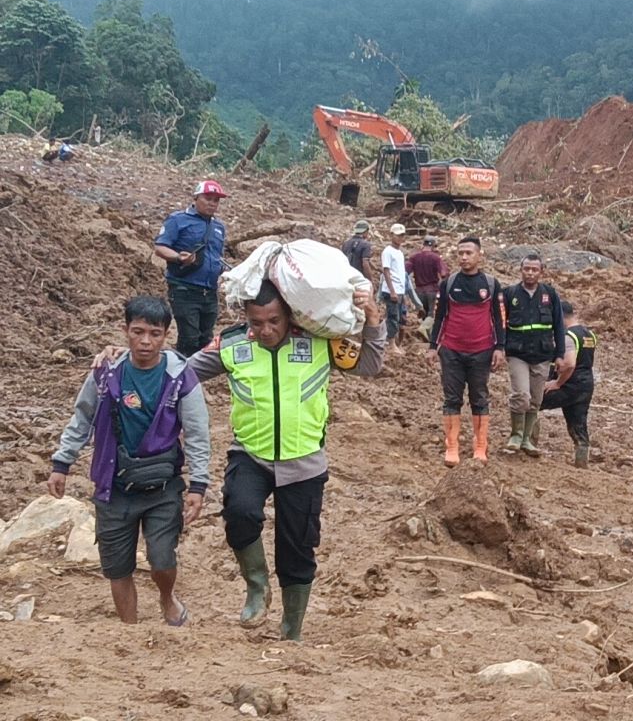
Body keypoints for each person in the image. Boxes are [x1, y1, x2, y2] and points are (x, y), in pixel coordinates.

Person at [187, 281, 385, 641]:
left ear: (289, 315)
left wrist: (372, 317)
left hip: (304, 461)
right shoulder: (232, 345)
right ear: (245, 317)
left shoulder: (319, 341)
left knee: (297, 548)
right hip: (250, 453)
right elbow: (181, 373)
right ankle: (257, 587)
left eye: (274, 321)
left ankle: (291, 630)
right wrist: (126, 359)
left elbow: (369, 364)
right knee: (240, 513)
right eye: (256, 322)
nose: (265, 330)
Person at [49, 296, 211, 625]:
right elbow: (82, 419)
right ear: (125, 331)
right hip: (114, 484)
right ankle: (130, 631)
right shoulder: (105, 374)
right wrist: (61, 463)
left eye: (155, 333)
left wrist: (199, 484)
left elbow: (197, 432)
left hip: (162, 485)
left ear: (166, 335)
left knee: (162, 559)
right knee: (117, 566)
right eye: (138, 332)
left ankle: (167, 597)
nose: (146, 341)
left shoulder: (180, 377)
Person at [425, 236, 505, 466]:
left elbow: (499, 318)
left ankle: (480, 446)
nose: (464, 257)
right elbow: (439, 317)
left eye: (469, 253)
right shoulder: (448, 283)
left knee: (479, 397)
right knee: (452, 398)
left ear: (480, 255)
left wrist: (499, 347)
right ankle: (452, 447)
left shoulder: (490, 284)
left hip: (482, 350)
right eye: (460, 253)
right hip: (451, 351)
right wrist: (433, 347)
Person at [153, 180, 229, 356]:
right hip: (184, 288)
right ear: (196, 198)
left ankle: (198, 378)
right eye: (208, 198)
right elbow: (160, 247)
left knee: (206, 338)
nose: (212, 203)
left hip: (209, 292)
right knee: (189, 338)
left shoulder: (218, 227)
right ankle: (183, 375)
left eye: (216, 200)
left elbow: (217, 256)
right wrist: (178, 257)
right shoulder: (178, 220)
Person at [501, 254, 565, 455]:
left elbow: (559, 326)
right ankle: (516, 435)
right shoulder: (510, 293)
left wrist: (560, 354)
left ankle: (527, 439)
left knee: (536, 399)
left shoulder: (550, 294)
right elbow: (500, 323)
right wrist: (499, 347)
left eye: (534, 269)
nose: (530, 273)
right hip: (517, 353)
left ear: (541, 271)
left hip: (542, 353)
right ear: (520, 270)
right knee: (522, 395)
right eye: (526, 269)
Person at [541, 301, 597, 468]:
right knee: (578, 423)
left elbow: (570, 363)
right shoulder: (588, 334)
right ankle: (581, 463)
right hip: (586, 384)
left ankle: (527, 446)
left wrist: (557, 383)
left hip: (569, 384)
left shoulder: (568, 336)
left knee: (532, 403)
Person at [379, 223, 409, 352]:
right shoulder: (388, 251)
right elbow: (386, 271)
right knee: (392, 317)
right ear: (391, 235)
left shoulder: (400, 253)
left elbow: (401, 274)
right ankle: (391, 344)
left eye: (402, 236)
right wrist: (392, 291)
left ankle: (393, 342)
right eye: (398, 236)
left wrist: (403, 293)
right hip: (392, 290)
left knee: (400, 318)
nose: (400, 238)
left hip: (399, 290)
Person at [407, 235, 449, 320]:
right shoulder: (436, 258)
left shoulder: (414, 257)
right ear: (433, 245)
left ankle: (423, 328)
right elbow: (444, 274)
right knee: (431, 314)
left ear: (423, 244)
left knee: (423, 313)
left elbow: (405, 272)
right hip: (432, 290)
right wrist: (441, 287)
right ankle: (427, 331)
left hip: (419, 291)